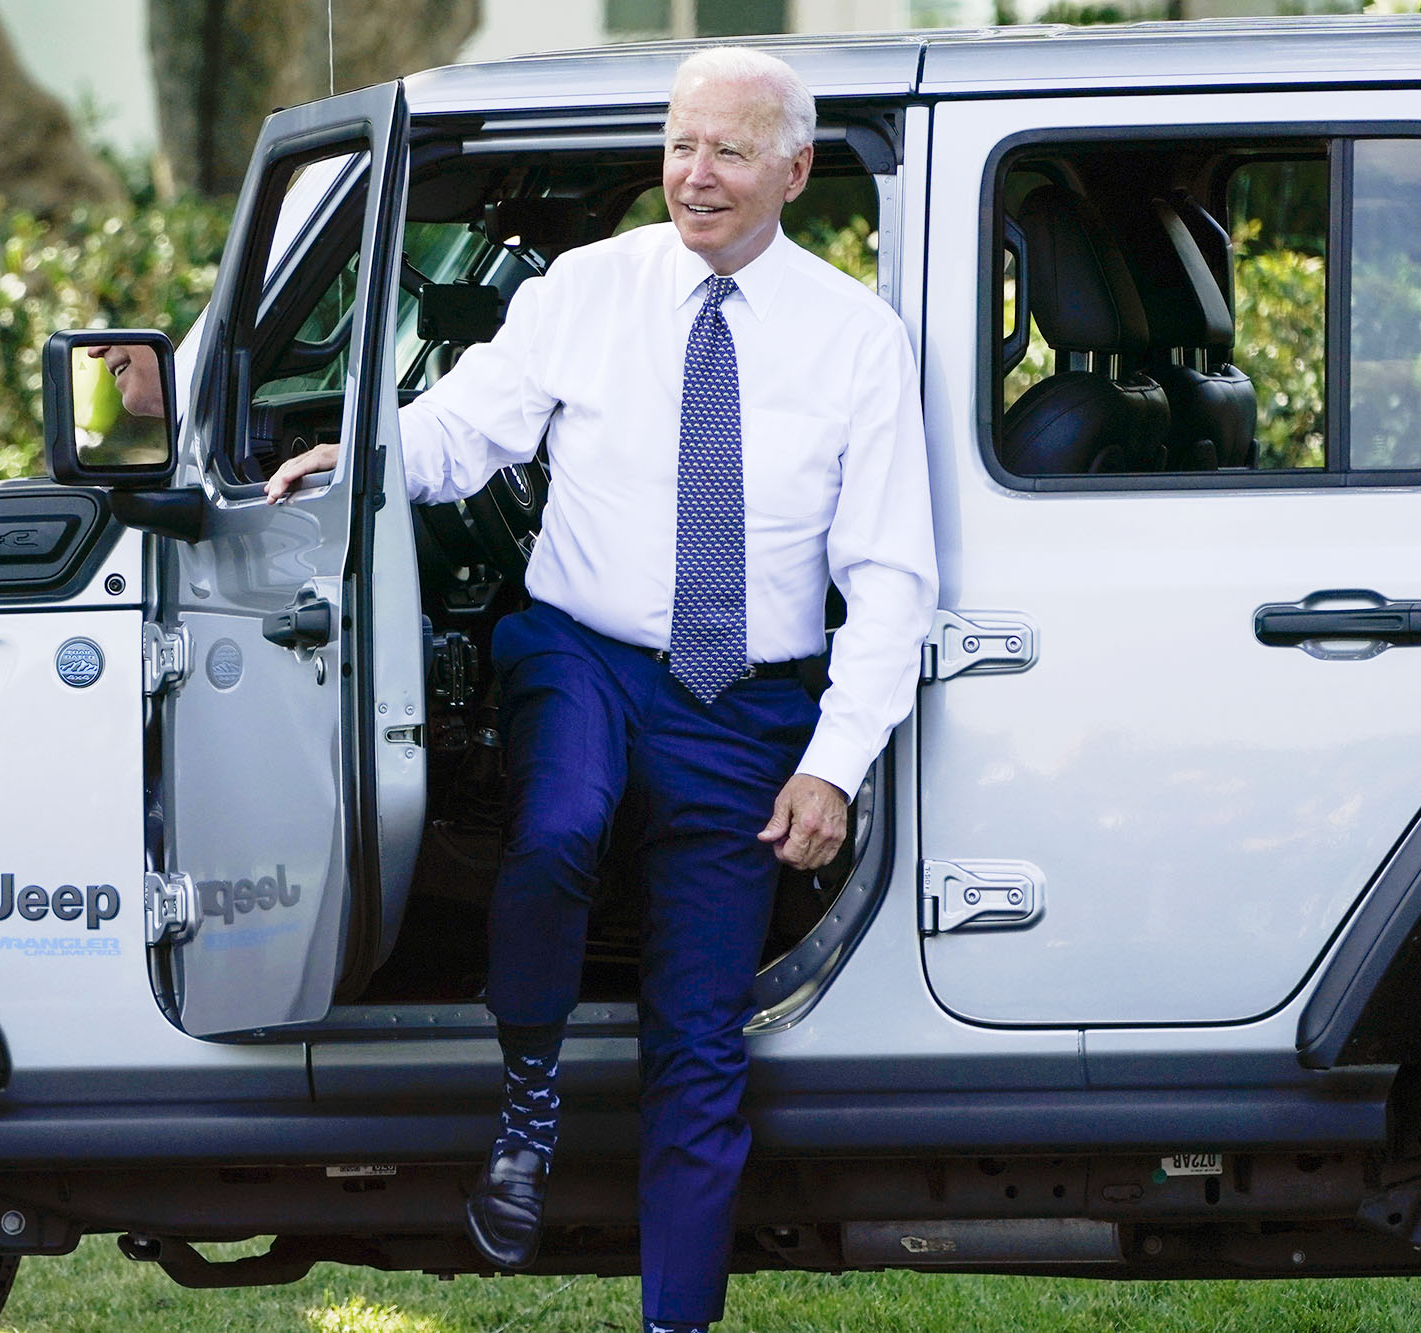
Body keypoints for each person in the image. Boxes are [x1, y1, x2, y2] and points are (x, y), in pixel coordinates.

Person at [269, 46, 936, 1333]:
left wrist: (832, 763)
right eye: (681, 144)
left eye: (729, 151)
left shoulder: (856, 338)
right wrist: (353, 462)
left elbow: (889, 573)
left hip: (745, 706)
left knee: (699, 1042)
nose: (694, 175)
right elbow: (467, 430)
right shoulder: (586, 289)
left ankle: (674, 1322)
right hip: (577, 651)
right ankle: (525, 1106)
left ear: (794, 171)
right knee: (560, 826)